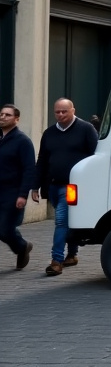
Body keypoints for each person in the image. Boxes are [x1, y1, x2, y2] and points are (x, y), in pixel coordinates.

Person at [31, 98, 98, 275]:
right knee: (69, 221)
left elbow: (96, 157)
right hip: (53, 185)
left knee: (61, 221)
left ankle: (56, 260)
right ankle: (72, 254)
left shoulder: (86, 129)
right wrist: (34, 186)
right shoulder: (49, 133)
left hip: (73, 187)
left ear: (73, 110)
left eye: (64, 111)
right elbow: (42, 160)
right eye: (57, 112)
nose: (60, 115)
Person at [0, 104, 36, 270]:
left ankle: (22, 247)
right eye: (1, 114)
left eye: (7, 115)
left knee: (5, 230)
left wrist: (23, 194)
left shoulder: (22, 141)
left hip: (12, 193)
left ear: (16, 119)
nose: (3, 117)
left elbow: (29, 169)